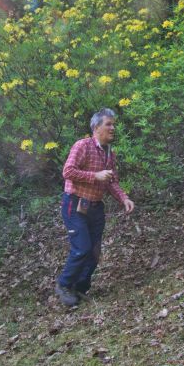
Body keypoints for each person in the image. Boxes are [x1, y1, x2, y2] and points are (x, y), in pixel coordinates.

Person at [54, 108, 135, 307]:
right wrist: (95, 176)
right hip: (75, 204)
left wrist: (124, 198)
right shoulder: (82, 146)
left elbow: (111, 181)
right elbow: (68, 171)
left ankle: (79, 289)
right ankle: (64, 285)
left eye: (113, 124)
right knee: (82, 248)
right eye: (108, 124)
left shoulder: (109, 153)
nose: (113, 128)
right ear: (96, 127)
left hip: (96, 208)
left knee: (94, 252)